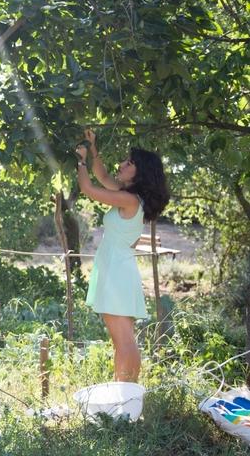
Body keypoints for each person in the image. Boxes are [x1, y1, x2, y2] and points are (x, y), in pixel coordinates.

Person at [75, 128, 169, 382]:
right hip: (116, 268)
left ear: (140, 173)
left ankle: (127, 397)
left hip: (117, 270)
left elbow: (89, 188)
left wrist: (81, 160)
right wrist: (93, 148)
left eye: (129, 163)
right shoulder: (128, 196)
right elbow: (102, 175)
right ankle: (124, 392)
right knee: (121, 339)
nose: (122, 164)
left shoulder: (130, 200)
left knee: (123, 339)